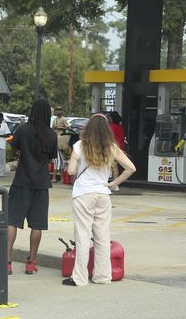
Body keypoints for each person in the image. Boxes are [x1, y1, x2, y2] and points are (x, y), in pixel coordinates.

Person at [62, 113, 135, 287]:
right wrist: (113, 183)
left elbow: (71, 172)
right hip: (103, 195)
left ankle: (79, 278)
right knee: (102, 236)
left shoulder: (80, 146)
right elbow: (130, 168)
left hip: (83, 195)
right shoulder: (111, 147)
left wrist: (72, 161)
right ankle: (102, 276)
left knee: (83, 236)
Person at [7, 98, 58, 276]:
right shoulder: (51, 134)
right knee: (37, 224)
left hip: (21, 181)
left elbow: (14, 149)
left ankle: (7, 262)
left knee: (12, 221)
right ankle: (31, 262)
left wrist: (21, 152)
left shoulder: (22, 129)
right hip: (42, 183)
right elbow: (51, 157)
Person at [107, 111, 125, 192]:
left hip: (112, 148)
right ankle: (116, 183)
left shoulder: (112, 126)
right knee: (115, 166)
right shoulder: (120, 126)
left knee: (112, 166)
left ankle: (114, 184)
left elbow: (109, 137)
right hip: (120, 147)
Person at [52, 106, 71, 182]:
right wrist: (56, 127)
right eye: (57, 110)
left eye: (60, 110)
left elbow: (68, 127)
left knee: (60, 161)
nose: (58, 112)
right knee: (60, 160)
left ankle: (56, 178)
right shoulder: (55, 120)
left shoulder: (63, 119)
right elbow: (52, 128)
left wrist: (61, 127)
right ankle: (60, 178)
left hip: (61, 141)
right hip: (56, 140)